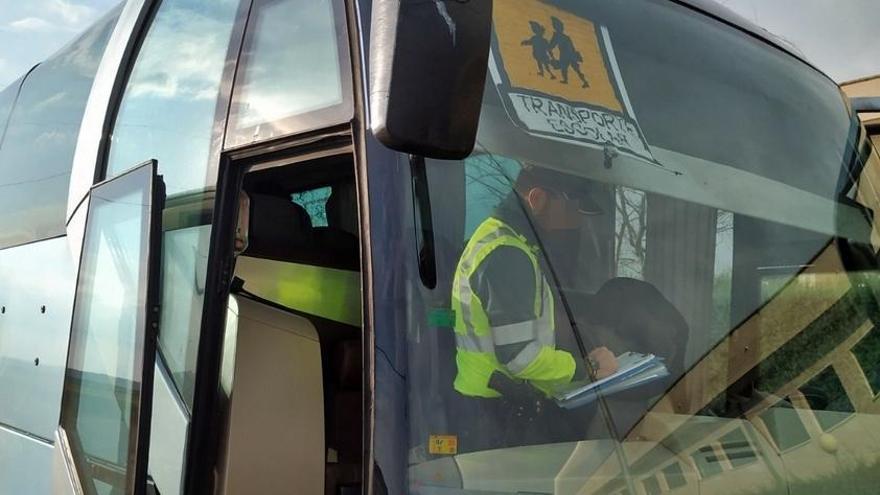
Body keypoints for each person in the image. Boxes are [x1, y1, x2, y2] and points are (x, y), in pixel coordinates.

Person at [450, 165, 617, 404]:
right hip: (496, 408)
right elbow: (519, 357)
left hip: (488, 397)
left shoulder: (504, 242)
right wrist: (587, 368)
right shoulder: (507, 254)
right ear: (537, 199)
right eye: (572, 208)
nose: (577, 221)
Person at [548, 16, 590, 88]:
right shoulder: (561, 36)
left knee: (573, 69)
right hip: (568, 55)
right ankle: (567, 80)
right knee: (569, 69)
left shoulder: (559, 36)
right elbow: (552, 45)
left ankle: (584, 81)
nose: (560, 28)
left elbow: (552, 45)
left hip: (567, 55)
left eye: (560, 26)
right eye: (557, 26)